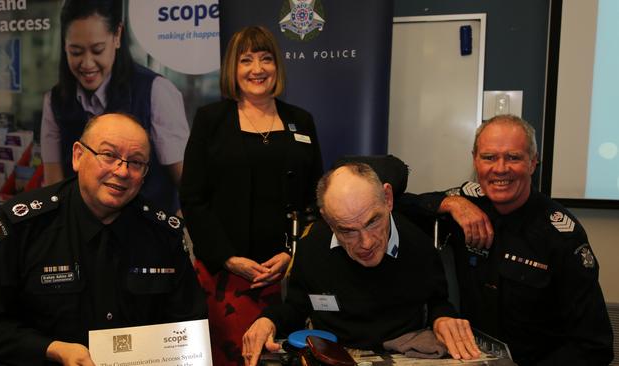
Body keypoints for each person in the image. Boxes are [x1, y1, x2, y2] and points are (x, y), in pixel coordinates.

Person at [0, 113, 207, 366]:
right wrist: (52, 349)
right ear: (78, 156)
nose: (122, 171)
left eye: (136, 162)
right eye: (109, 155)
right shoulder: (23, 225)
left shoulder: (163, 233)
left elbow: (189, 325)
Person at [402, 115, 614, 365]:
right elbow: (399, 206)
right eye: (489, 157)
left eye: (513, 157)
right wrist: (450, 203)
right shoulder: (463, 207)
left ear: (533, 163)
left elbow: (594, 346)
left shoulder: (561, 234)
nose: (500, 168)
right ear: (475, 160)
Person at [180, 26, 323, 365]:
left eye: (265, 59)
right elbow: (193, 198)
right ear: (233, 68)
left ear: (277, 66)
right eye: (246, 60)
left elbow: (316, 200)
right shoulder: (210, 120)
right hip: (224, 277)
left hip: (287, 277)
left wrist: (292, 254)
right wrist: (228, 258)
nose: (257, 69)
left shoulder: (301, 121)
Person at [242, 163, 481, 366]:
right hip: (334, 354)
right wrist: (268, 320)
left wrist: (443, 318)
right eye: (347, 231)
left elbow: (437, 300)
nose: (366, 243)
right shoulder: (312, 247)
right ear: (327, 219)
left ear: (387, 199)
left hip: (401, 352)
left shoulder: (419, 245)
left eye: (373, 222)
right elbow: (297, 306)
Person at [41, 0, 189, 212]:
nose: (87, 63)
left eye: (98, 50)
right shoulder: (56, 101)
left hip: (147, 229)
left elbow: (186, 182)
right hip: (83, 229)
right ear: (64, 46)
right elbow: (54, 186)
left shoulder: (155, 91)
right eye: (76, 52)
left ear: (117, 36)